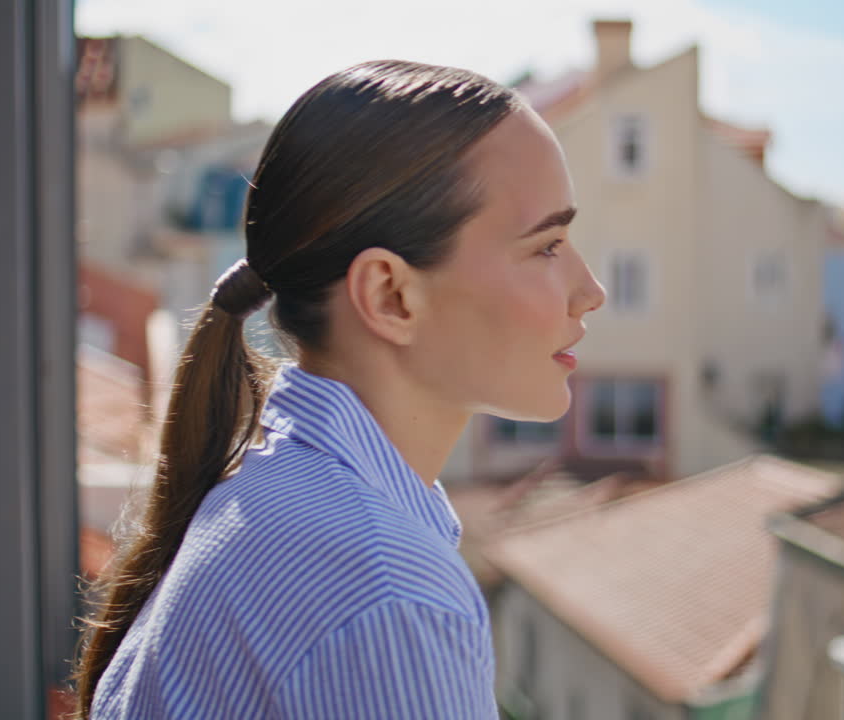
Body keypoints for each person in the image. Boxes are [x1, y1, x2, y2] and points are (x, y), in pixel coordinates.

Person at [73, 59, 606, 719]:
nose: (592, 292)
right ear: (390, 295)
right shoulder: (387, 593)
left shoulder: (268, 495)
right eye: (546, 246)